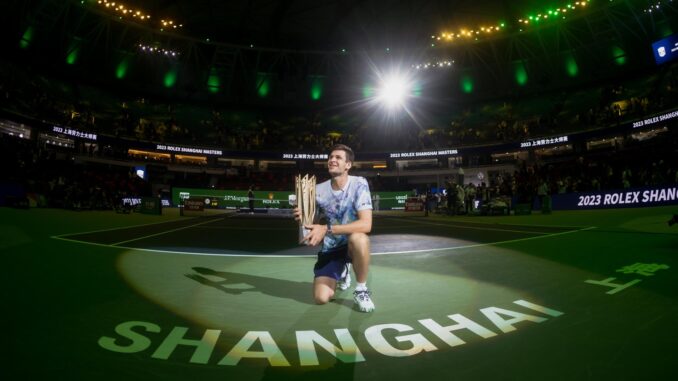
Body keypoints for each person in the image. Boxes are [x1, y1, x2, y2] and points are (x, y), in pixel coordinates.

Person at [294, 144, 375, 312]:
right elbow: (312, 225)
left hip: (352, 244)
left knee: (359, 238)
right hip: (332, 247)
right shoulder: (317, 190)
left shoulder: (359, 184)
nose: (332, 160)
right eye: (330, 157)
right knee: (321, 298)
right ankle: (343, 269)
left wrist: (326, 229)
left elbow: (366, 224)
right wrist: (304, 217)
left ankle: (361, 289)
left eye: (338, 157)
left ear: (348, 165)